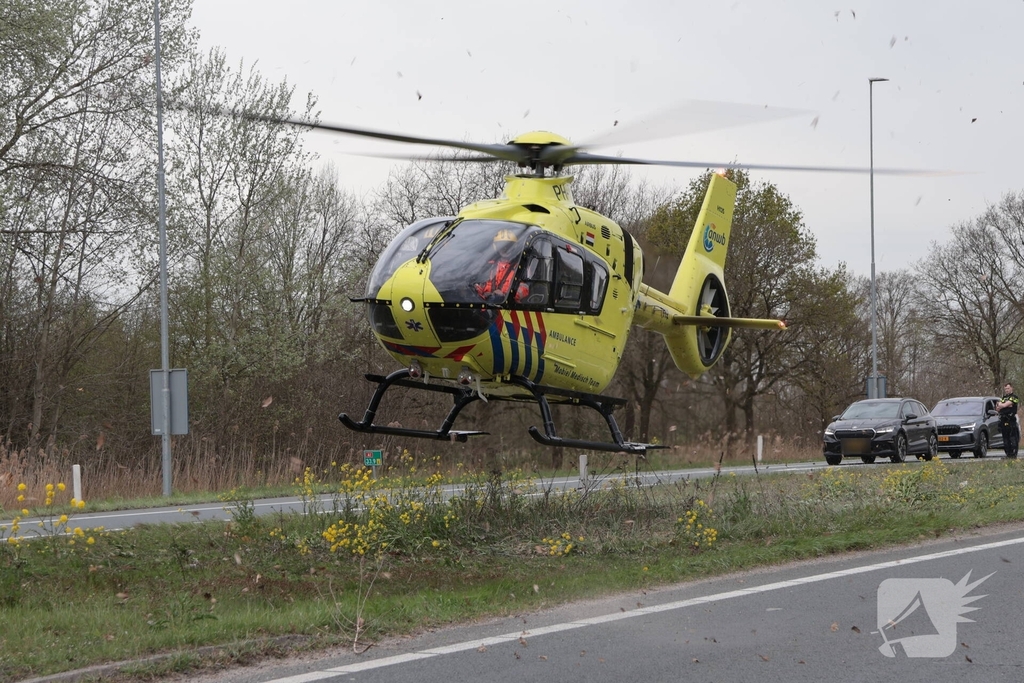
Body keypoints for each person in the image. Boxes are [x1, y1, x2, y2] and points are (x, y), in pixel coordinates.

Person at [474, 229, 527, 303]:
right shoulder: (488, 266)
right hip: (486, 306)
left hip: (508, 306)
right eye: (502, 246)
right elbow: (479, 284)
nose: (506, 249)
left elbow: (525, 287)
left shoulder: (520, 266)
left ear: (515, 247)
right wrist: (482, 294)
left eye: (510, 246)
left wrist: (505, 295)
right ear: (496, 247)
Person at [996, 382, 1020, 459]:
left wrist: (1003, 405)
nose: (1007, 390)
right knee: (1005, 438)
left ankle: (1013, 454)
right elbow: (998, 407)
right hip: (1003, 419)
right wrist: (1003, 405)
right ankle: (1008, 454)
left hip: (1011, 419)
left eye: (1008, 388)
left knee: (1012, 437)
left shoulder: (1014, 397)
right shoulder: (1003, 398)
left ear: (1012, 388)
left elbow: (1003, 405)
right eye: (1005, 389)